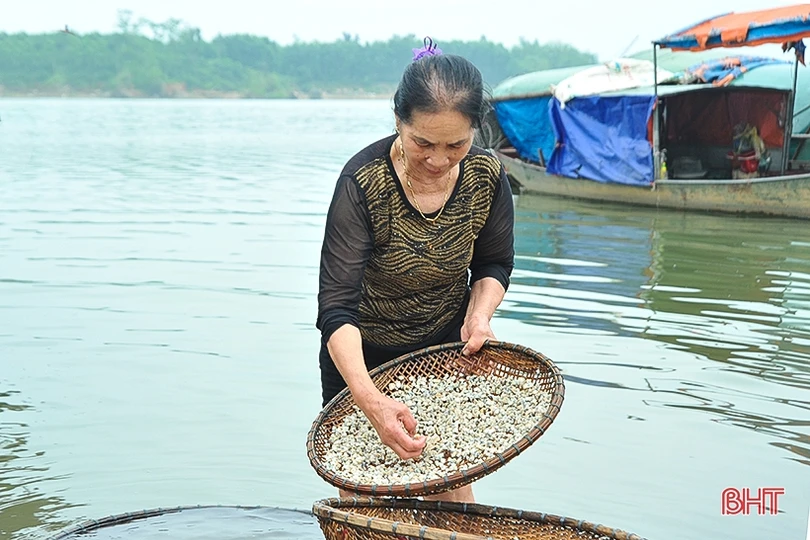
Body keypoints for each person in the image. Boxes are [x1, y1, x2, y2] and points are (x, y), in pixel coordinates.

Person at [316, 38, 515, 503]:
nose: (439, 159)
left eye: (456, 144)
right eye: (422, 141)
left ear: (475, 132)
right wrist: (370, 401)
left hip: (445, 354)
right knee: (364, 506)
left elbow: (493, 263)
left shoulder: (487, 176)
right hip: (362, 361)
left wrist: (479, 315)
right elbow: (336, 309)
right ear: (398, 121)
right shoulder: (362, 183)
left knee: (453, 499)